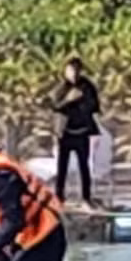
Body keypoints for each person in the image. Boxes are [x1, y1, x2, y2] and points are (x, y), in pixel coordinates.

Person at [52, 56, 100, 205]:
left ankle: (86, 197)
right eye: (70, 70)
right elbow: (55, 106)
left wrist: (83, 103)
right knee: (62, 167)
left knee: (84, 166)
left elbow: (95, 106)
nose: (74, 74)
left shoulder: (87, 86)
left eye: (76, 70)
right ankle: (59, 196)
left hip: (82, 132)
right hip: (65, 133)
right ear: (65, 71)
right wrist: (70, 99)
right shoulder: (61, 88)